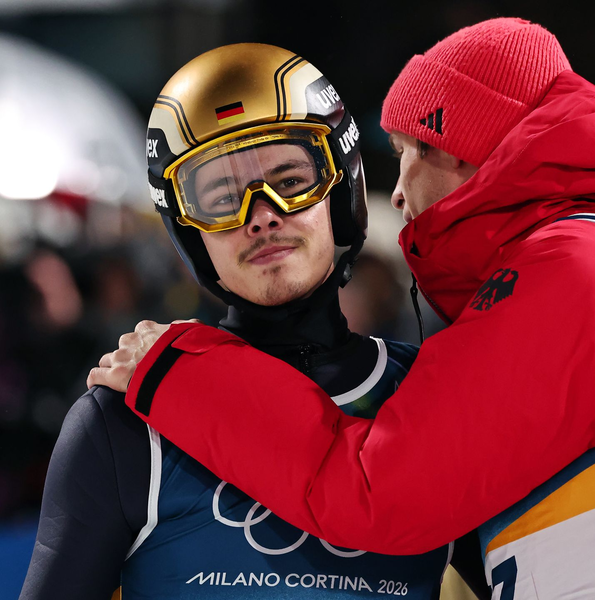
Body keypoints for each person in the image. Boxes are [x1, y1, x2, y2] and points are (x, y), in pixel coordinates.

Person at [90, 19, 595, 600]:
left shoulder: (575, 267)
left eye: (404, 154)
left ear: (457, 148)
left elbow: (379, 492)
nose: (396, 193)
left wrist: (179, 374)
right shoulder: (584, 263)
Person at [21, 43, 488, 600]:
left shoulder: (433, 396)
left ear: (341, 190)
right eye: (220, 196)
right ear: (190, 232)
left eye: (290, 182)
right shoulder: (124, 420)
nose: (262, 216)